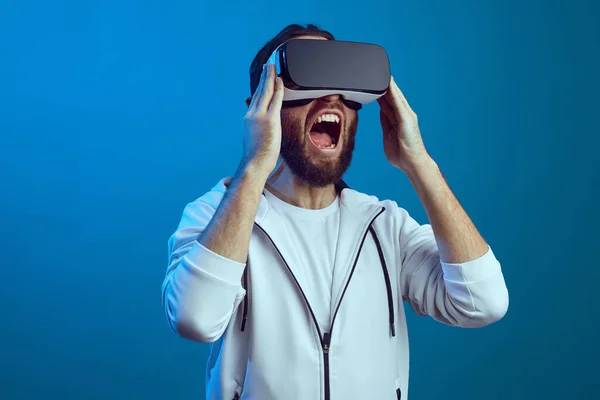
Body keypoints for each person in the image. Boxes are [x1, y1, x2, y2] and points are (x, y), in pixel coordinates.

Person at [161, 24, 509, 400]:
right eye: (307, 80)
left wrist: (418, 162)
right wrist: (254, 163)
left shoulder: (385, 227)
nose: (330, 97)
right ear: (260, 108)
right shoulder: (214, 215)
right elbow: (194, 319)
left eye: (342, 84)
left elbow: (483, 303)